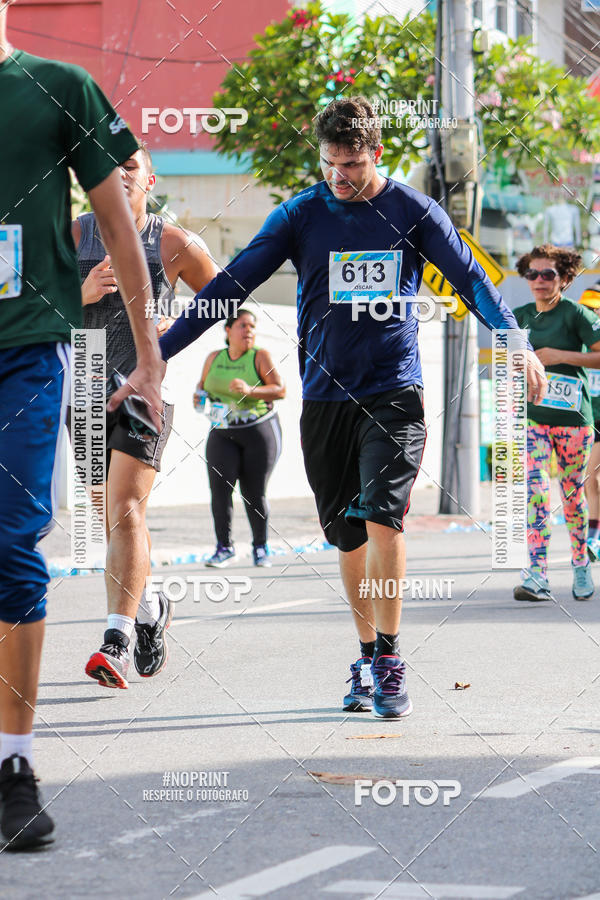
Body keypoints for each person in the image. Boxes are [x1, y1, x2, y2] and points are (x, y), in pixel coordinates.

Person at [159, 96, 547, 720]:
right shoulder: (299, 215)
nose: (339, 178)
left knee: (383, 517)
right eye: (330, 164)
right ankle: (365, 652)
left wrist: (513, 341)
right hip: (324, 399)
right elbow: (229, 287)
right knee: (345, 537)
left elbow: (474, 281)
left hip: (394, 392)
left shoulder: (413, 213)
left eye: (352, 166)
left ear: (377, 155)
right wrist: (158, 352)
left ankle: (391, 659)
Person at [0, 1, 164, 850]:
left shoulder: (56, 88)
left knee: (14, 545)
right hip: (48, 363)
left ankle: (14, 765)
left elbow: (119, 227)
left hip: (25, 355)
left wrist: (151, 355)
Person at [73, 145, 219, 689]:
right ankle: (152, 603)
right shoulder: (72, 236)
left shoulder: (173, 241)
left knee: (125, 505)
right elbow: (21, 303)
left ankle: (116, 638)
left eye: (129, 166)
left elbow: (225, 298)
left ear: (150, 177)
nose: (119, 175)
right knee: (108, 514)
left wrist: (170, 331)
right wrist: (78, 292)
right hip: (84, 389)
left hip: (143, 393)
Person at [513, 248, 600, 602]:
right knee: (535, 492)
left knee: (572, 496)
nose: (538, 281)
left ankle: (581, 565)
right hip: (534, 419)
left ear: (564, 277)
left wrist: (558, 356)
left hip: (573, 421)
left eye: (547, 274)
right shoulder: (517, 316)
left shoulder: (576, 314)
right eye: (532, 274)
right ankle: (538, 574)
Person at [194, 308, 285, 567]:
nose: (249, 331)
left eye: (252, 327)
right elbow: (202, 387)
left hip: (258, 431)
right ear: (228, 330)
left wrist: (250, 390)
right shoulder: (214, 357)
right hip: (222, 431)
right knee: (220, 491)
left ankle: (260, 547)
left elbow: (280, 390)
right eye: (243, 326)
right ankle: (224, 548)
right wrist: (199, 399)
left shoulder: (260, 357)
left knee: (253, 492)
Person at [578, 281, 600, 562]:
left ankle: (594, 536)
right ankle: (594, 535)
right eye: (588, 310)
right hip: (589, 418)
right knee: (588, 479)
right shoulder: (580, 341)